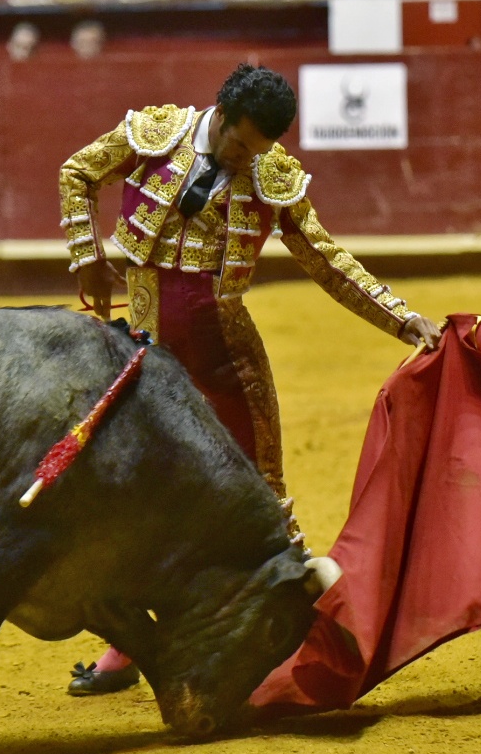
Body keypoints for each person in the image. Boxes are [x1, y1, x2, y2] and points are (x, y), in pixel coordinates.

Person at [58, 63, 441, 695]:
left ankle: (299, 631)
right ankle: (128, 642)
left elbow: (326, 258)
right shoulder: (158, 131)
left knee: (263, 487)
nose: (245, 161)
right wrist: (87, 256)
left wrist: (401, 320)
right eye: (239, 147)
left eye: (258, 151)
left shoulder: (271, 172)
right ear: (222, 115)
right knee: (138, 490)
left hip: (222, 346)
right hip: (144, 340)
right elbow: (77, 172)